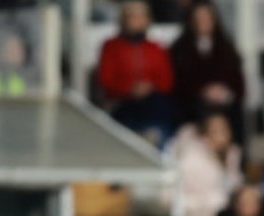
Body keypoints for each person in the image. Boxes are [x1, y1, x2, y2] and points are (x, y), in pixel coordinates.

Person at [96, 0, 175, 145]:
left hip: (152, 101)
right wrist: (130, 88)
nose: (136, 20)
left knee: (162, 114)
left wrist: (149, 87)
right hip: (121, 101)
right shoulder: (110, 46)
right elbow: (105, 79)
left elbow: (166, 81)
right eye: (132, 16)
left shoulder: (156, 48)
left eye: (140, 16)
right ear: (123, 19)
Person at [168, 0, 246, 140]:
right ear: (191, 21)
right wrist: (203, 92)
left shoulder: (227, 48)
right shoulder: (179, 49)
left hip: (225, 105)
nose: (203, 22)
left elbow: (238, 83)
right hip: (192, 106)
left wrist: (225, 92)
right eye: (199, 18)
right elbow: (177, 84)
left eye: (207, 18)